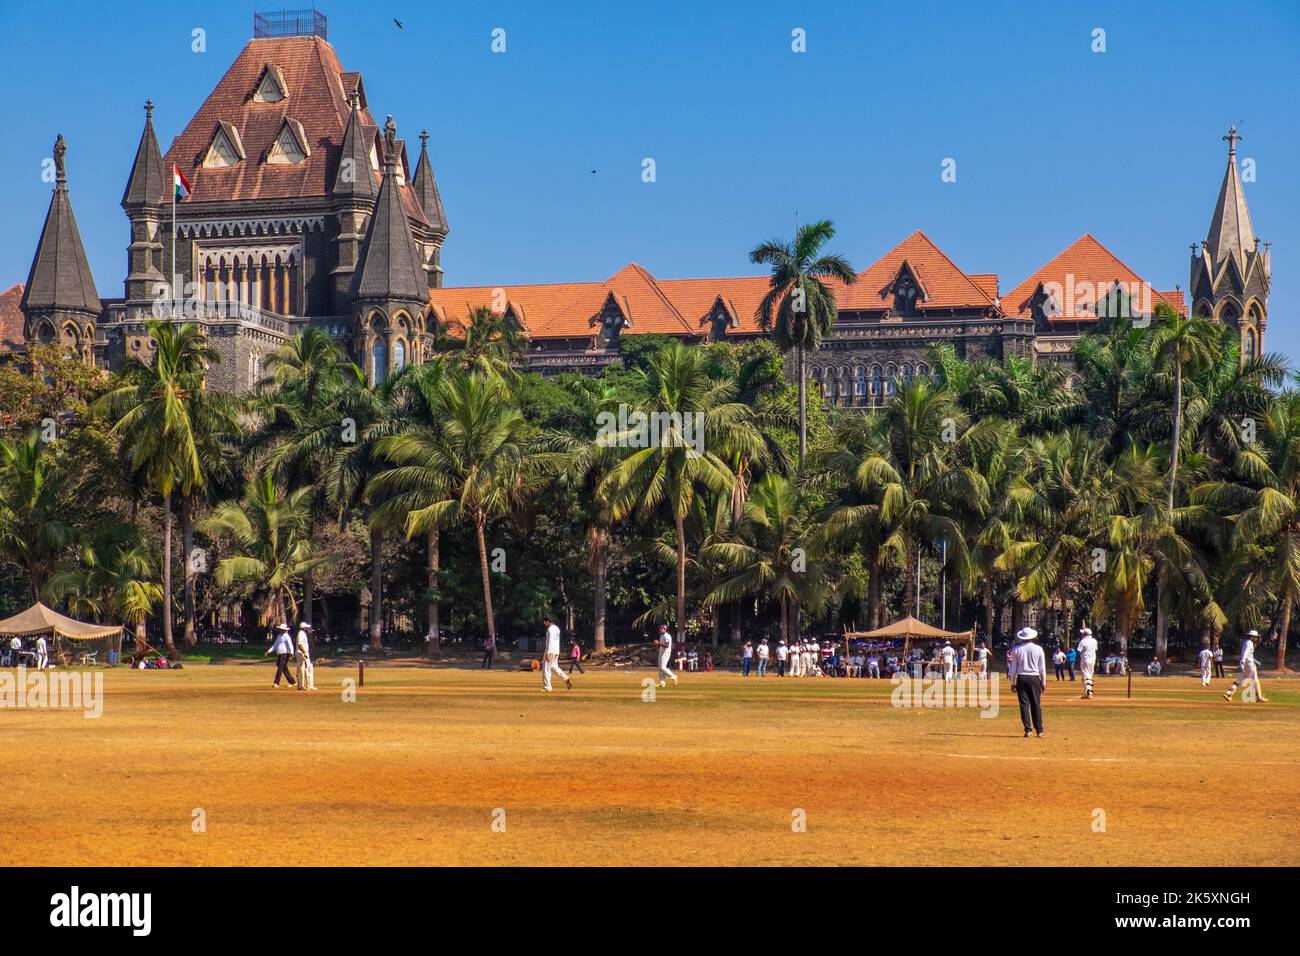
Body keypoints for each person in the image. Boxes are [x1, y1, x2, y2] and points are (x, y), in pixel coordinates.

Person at [1009, 626, 1047, 738]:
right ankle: (1039, 730)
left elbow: (1013, 668)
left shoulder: (1016, 649)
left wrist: (1012, 682)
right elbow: (1042, 668)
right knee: (1036, 704)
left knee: (1024, 705)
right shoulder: (1038, 649)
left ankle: (1027, 730)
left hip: (1022, 677)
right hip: (1034, 678)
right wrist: (1043, 682)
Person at [1223, 629, 1268, 702]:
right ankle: (1259, 697)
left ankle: (1228, 693)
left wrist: (1255, 661)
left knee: (1240, 679)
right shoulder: (1249, 643)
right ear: (1252, 637)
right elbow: (1245, 654)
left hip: (1247, 664)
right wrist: (1242, 662)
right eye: (1255, 637)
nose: (1256, 638)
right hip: (1249, 664)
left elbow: (1248, 654)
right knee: (1255, 680)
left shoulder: (1246, 642)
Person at [540, 617, 570, 692]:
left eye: (545, 622)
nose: (544, 624)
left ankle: (547, 687)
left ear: (548, 621)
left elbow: (550, 641)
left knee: (546, 669)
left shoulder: (550, 630)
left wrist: (548, 653)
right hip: (556, 651)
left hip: (550, 651)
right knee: (554, 667)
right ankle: (565, 677)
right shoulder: (557, 629)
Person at [264, 624, 296, 688]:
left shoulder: (286, 636)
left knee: (280, 667)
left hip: (285, 654)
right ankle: (292, 682)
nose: (280, 630)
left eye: (281, 629)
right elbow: (275, 645)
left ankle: (276, 682)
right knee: (284, 668)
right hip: (279, 654)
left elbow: (290, 645)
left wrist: (291, 653)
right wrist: (269, 651)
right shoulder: (279, 636)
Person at [1076, 627, 1098, 699]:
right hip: (1092, 660)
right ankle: (1089, 691)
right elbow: (1095, 649)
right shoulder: (1094, 641)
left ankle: (1088, 693)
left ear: (1084, 634)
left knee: (1086, 676)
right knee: (1090, 676)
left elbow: (1078, 651)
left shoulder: (1083, 641)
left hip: (1085, 660)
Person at [295, 622, 316, 691]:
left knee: (302, 669)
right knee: (307, 668)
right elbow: (300, 644)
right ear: (304, 628)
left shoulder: (302, 633)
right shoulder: (301, 634)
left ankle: (302, 685)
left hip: (302, 653)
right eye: (306, 628)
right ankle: (308, 685)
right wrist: (304, 652)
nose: (308, 628)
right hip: (302, 653)